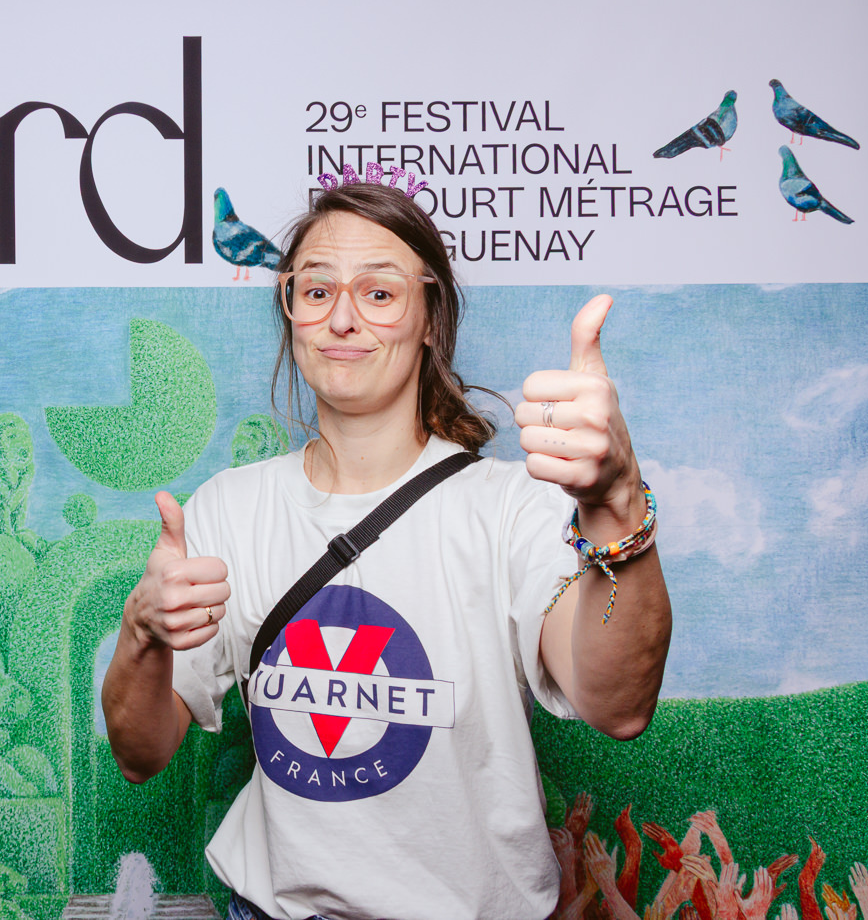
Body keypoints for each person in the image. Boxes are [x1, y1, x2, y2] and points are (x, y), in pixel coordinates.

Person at [100, 180, 672, 920]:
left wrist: (618, 501)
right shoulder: (226, 510)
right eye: (316, 291)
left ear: (431, 319)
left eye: (378, 293)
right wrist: (141, 633)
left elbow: (618, 706)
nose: (341, 318)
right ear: (291, 311)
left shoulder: (512, 508)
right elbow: (139, 754)